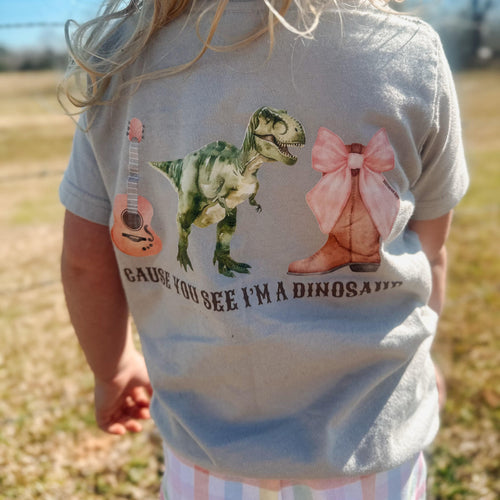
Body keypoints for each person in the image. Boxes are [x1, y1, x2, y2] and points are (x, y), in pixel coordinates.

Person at [59, 0, 469, 498]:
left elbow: (85, 262)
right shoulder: (410, 52)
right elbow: (431, 248)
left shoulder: (119, 57)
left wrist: (114, 369)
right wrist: (422, 361)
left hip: (208, 454)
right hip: (376, 445)